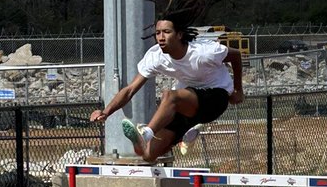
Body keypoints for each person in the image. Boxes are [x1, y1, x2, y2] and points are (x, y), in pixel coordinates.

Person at [90, 13, 244, 163]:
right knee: (148, 155)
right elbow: (130, 90)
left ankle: (146, 133)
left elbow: (235, 55)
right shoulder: (156, 56)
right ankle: (184, 134)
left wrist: (238, 90)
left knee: (170, 96)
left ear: (179, 35)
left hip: (215, 98)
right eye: (158, 33)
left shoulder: (203, 52)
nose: (161, 37)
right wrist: (106, 112)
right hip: (186, 104)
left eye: (166, 32)